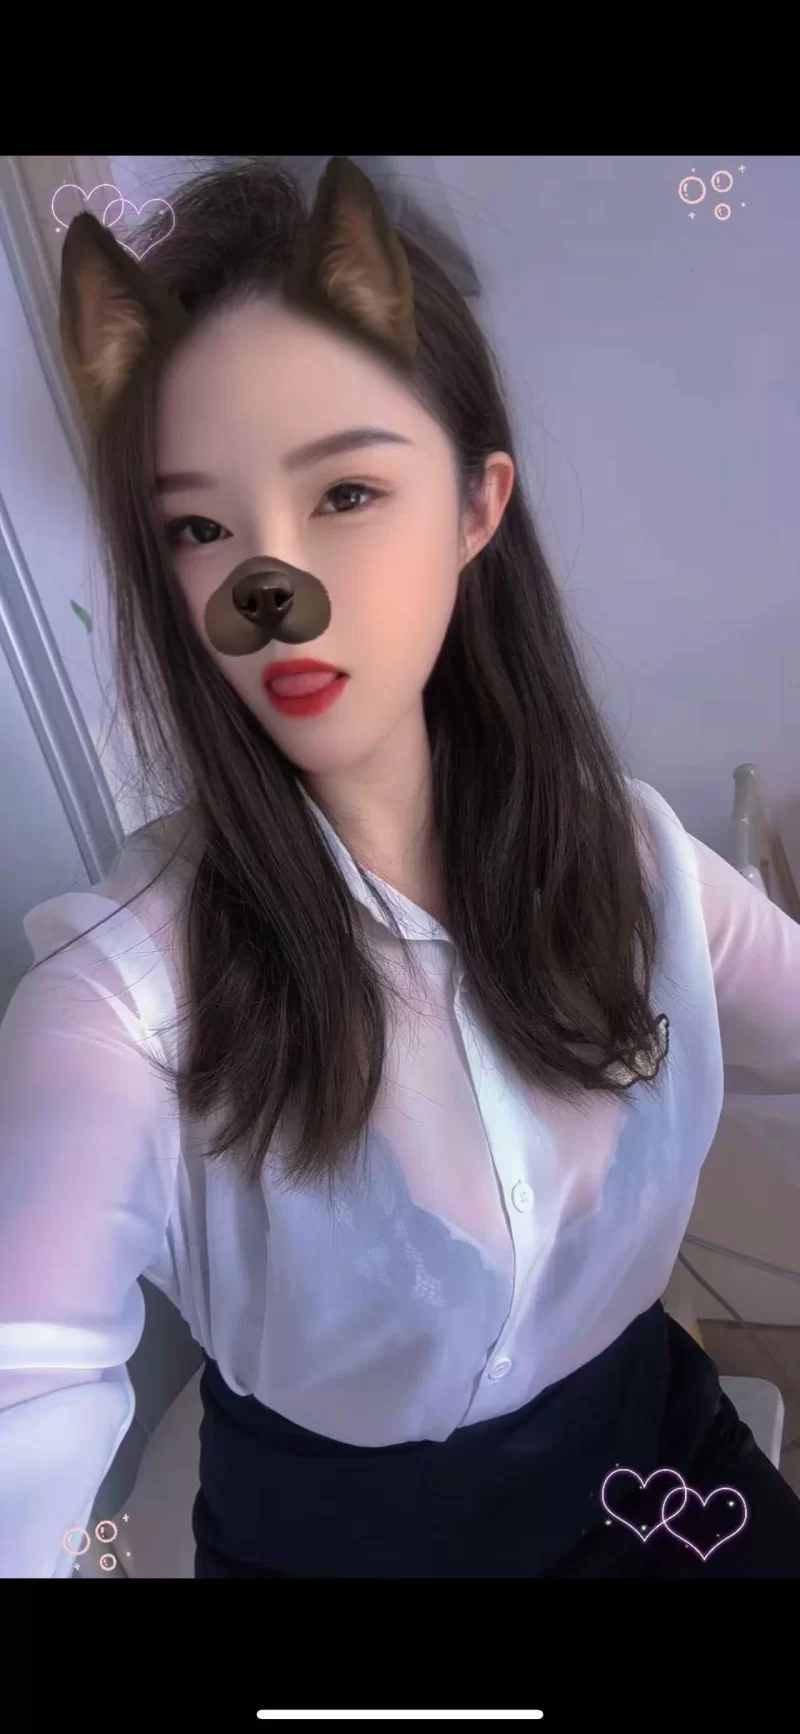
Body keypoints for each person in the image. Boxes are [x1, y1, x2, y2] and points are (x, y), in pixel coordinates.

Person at [1, 156, 799, 1580]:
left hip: (651, 1479)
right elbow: (25, 1387)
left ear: (478, 508)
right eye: (199, 527)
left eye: (348, 491)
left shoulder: (632, 862)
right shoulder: (119, 1001)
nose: (270, 587)